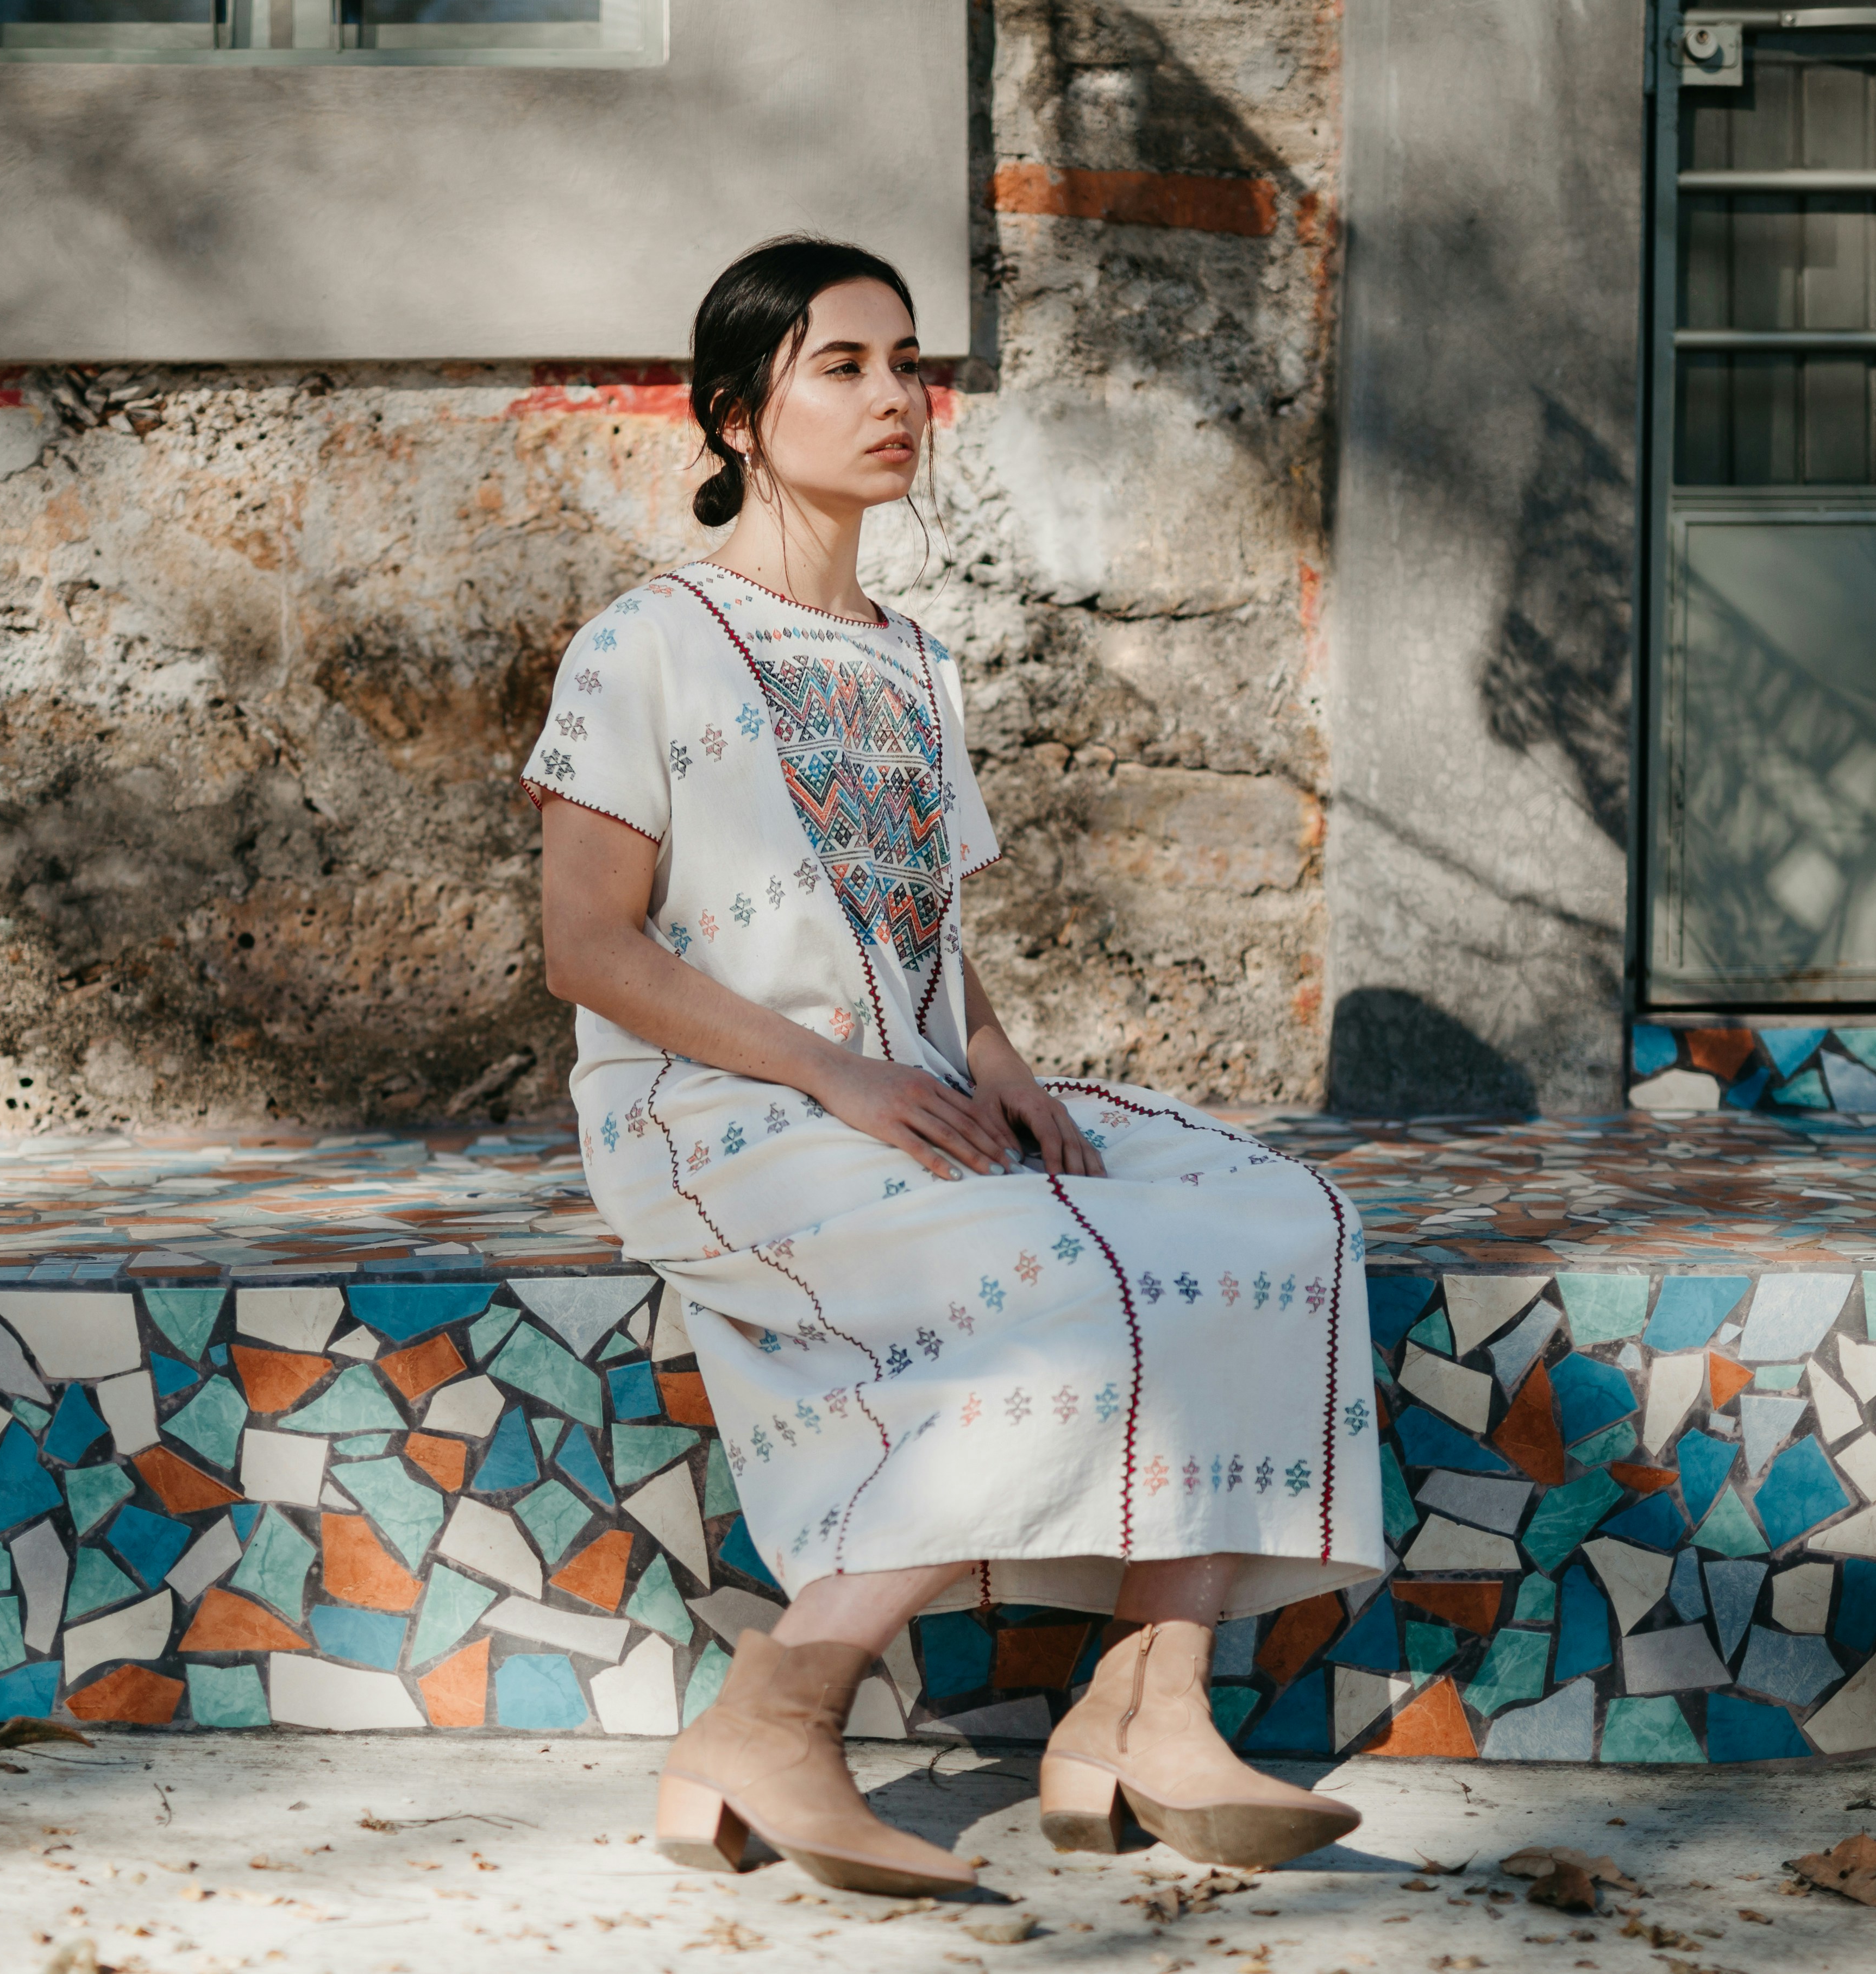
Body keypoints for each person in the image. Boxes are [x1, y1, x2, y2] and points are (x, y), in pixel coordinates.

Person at [520, 236, 1383, 1898]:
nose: (895, 398)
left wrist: (1003, 1062)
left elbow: (919, 928)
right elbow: (591, 947)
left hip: (908, 1091)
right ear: (736, 413)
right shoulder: (649, 645)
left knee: (1277, 1219)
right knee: (1069, 1267)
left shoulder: (915, 662)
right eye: (841, 365)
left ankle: (1152, 1696)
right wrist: (839, 1079)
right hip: (724, 1115)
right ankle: (778, 1708)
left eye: (907, 363)